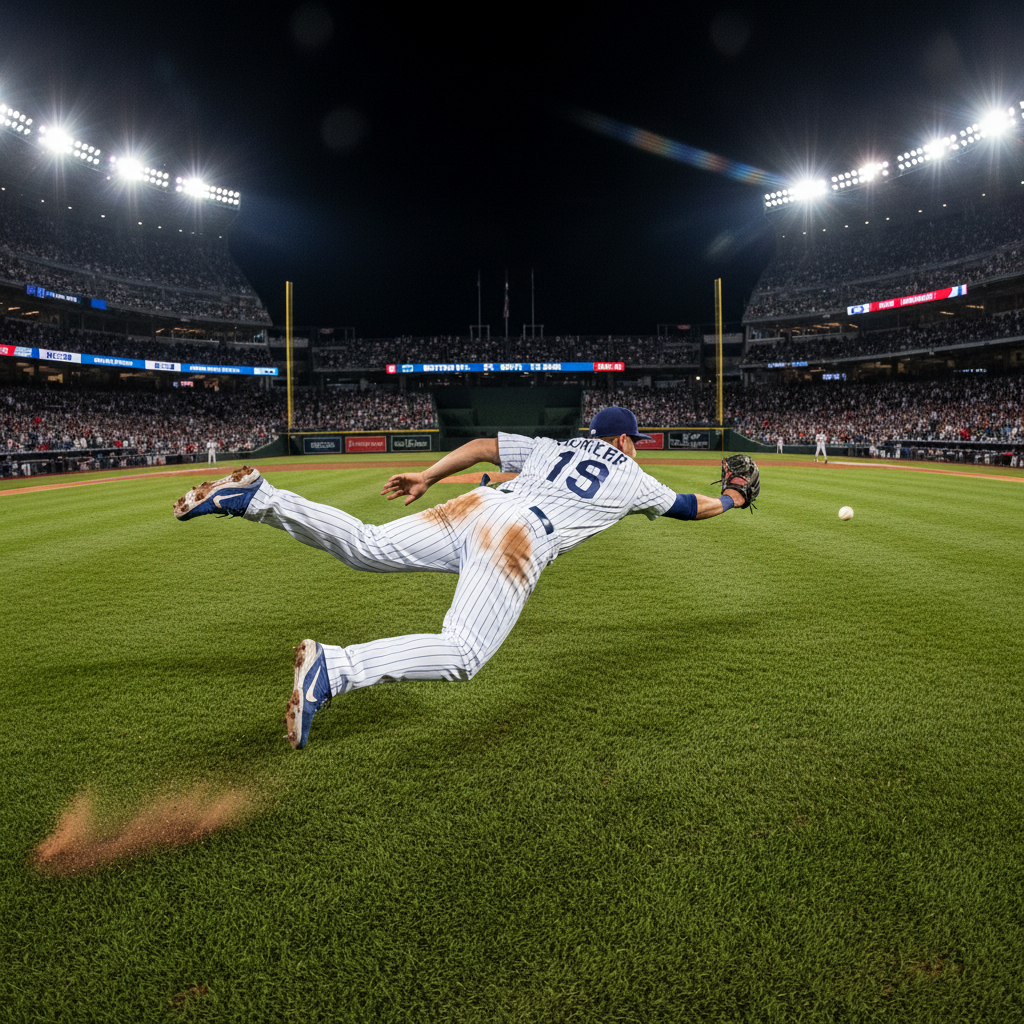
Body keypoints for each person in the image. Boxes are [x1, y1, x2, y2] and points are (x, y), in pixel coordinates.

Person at [172, 406, 759, 750]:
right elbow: (690, 507)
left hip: (479, 507)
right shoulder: (632, 475)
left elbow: (481, 445)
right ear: (627, 440)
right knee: (465, 651)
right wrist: (731, 497)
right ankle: (337, 667)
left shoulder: (555, 445)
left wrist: (428, 475)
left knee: (366, 545)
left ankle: (259, 498)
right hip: (518, 538)